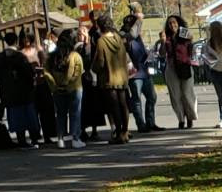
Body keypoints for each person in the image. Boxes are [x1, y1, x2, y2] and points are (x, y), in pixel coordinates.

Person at [91, 12, 131, 142]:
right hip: (122, 76)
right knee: (123, 105)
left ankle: (118, 133)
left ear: (101, 26)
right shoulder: (118, 38)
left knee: (114, 107)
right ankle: (125, 132)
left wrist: (93, 69)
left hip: (109, 78)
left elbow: (100, 62)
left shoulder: (101, 41)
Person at [47, 27, 85, 147]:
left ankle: (60, 139)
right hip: (74, 88)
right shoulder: (75, 56)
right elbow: (77, 72)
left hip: (57, 90)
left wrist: (55, 85)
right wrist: (67, 82)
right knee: (75, 113)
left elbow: (46, 72)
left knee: (61, 114)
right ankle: (75, 138)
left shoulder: (52, 57)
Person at [161, 14, 197, 127]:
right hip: (172, 68)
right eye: (170, 23)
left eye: (174, 22)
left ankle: (190, 117)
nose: (172, 25)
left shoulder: (184, 34)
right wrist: (162, 41)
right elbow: (162, 54)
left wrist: (189, 36)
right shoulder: (166, 37)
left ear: (178, 23)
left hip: (185, 66)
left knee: (187, 94)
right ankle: (181, 119)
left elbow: (192, 45)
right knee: (175, 95)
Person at [124, 13, 157, 131]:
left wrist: (148, 55)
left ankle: (150, 122)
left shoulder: (138, 37)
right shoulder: (125, 36)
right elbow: (130, 36)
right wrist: (139, 20)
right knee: (136, 99)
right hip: (134, 74)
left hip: (144, 71)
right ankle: (141, 124)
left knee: (152, 97)